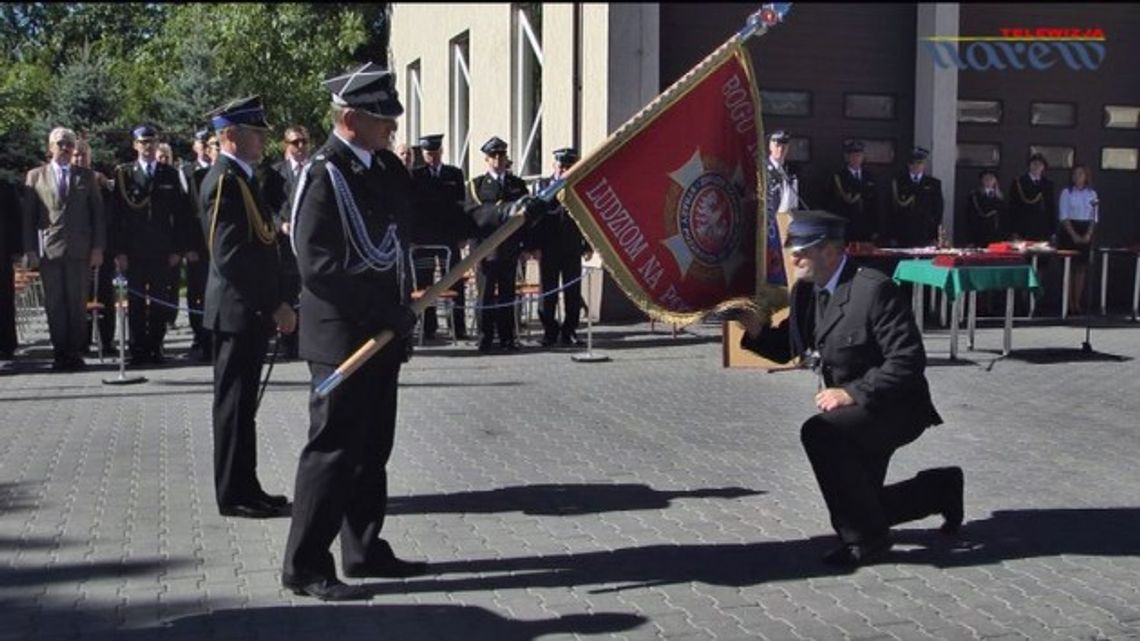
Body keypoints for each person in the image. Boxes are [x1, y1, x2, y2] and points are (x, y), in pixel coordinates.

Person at [734, 210, 963, 567]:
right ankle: (940, 489)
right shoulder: (807, 292)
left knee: (820, 434)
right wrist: (758, 331)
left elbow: (907, 360)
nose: (794, 257)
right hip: (857, 411)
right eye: (793, 247)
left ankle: (866, 542)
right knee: (864, 502)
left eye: (803, 249)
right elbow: (789, 346)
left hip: (893, 407)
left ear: (830, 251)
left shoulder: (873, 290)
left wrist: (852, 392)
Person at [282, 62, 427, 602]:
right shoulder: (321, 174)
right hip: (344, 337)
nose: (391, 125)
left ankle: (363, 549)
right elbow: (315, 263)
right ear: (349, 119)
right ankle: (304, 565)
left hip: (384, 333)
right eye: (381, 116)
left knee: (372, 448)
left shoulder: (385, 168)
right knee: (334, 450)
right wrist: (383, 310)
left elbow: (430, 217)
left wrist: (505, 213)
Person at [199, 96, 297, 519]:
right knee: (233, 405)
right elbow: (231, 256)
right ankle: (232, 493)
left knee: (244, 407)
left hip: (248, 312)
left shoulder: (243, 178)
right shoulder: (223, 181)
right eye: (255, 133)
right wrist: (274, 304)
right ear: (230, 136)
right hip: (237, 311)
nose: (262, 140)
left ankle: (247, 485)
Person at [22, 127, 106, 371]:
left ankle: (75, 353)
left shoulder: (86, 176)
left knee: (77, 304)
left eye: (70, 144)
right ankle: (60, 354)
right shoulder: (35, 176)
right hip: (49, 251)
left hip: (80, 251)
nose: (66, 149)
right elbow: (28, 219)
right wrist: (29, 250)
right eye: (61, 144)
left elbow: (97, 217)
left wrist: (98, 248)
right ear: (50, 148)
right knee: (55, 304)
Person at [109, 124, 193, 365]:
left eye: (152, 142)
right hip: (134, 251)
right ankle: (137, 349)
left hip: (162, 250)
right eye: (143, 143)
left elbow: (181, 215)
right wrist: (120, 251)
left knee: (159, 300)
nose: (148, 147)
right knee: (134, 303)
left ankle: (156, 346)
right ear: (135, 145)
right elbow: (117, 217)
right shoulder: (124, 174)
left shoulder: (168, 174)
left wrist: (177, 249)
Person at [466, 136, 530, 352]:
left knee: (507, 295)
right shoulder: (477, 185)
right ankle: (485, 338)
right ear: (486, 159)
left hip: (510, 247)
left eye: (502, 155)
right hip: (485, 249)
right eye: (494, 156)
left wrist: (526, 247)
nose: (498, 160)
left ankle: (507, 337)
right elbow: (476, 216)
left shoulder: (517, 185)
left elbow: (527, 218)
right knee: (484, 295)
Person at [411, 133, 472, 341]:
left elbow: (461, 207)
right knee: (425, 283)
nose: (433, 157)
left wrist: (463, 235)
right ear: (424, 154)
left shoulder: (453, 174)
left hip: (449, 237)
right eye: (429, 154)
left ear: (441, 152)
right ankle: (429, 326)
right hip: (424, 239)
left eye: (436, 153)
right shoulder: (415, 175)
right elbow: (412, 210)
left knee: (455, 282)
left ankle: (458, 325)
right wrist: (413, 237)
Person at [532, 147, 591, 347]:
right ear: (554, 166)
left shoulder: (580, 187)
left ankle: (570, 331)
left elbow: (587, 219)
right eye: (561, 165)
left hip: (571, 247)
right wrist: (534, 246)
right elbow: (535, 221)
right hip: (548, 248)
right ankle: (550, 331)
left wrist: (588, 245)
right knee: (548, 293)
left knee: (572, 292)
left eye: (569, 165)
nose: (565, 169)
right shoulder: (543, 186)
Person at [262, 125, 310, 359]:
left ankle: (308, 340)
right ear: (285, 146)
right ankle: (290, 342)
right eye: (295, 143)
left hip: (309, 243)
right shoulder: (275, 173)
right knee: (289, 292)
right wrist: (280, 224)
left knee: (310, 293)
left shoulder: (315, 170)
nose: (300, 147)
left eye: (303, 142)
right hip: (284, 243)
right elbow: (266, 207)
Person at [72, 138, 117, 355]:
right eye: (75, 155)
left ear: (90, 157)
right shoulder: (66, 179)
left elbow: (109, 215)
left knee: (104, 295)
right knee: (80, 297)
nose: (79, 158)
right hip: (76, 248)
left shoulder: (100, 181)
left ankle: (106, 341)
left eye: (83, 155)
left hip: (102, 248)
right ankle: (82, 340)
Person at [178, 130, 213, 362]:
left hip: (216, 246)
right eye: (203, 143)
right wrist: (187, 246)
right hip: (198, 245)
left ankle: (212, 337)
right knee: (197, 293)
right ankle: (199, 336)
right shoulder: (190, 173)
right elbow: (185, 214)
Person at [1057, 165, 1098, 315]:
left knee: (1081, 269)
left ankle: (1077, 302)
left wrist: (1088, 234)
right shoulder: (1066, 192)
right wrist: (1073, 235)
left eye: (1081, 174)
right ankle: (1067, 303)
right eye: (1075, 174)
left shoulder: (1092, 194)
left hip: (1085, 229)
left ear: (1086, 176)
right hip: (1069, 231)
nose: (1077, 176)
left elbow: (1094, 216)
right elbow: (1064, 216)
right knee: (1069, 268)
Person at [888, 147, 944, 248]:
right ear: (908, 165)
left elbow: (938, 211)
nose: (916, 166)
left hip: (925, 233)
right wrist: (892, 235)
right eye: (913, 163)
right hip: (903, 233)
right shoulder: (898, 183)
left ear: (924, 165)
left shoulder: (933, 184)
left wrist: (935, 236)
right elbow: (891, 210)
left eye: (919, 163)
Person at [825, 140, 879, 243]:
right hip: (847, 228)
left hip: (866, 227)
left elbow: (875, 204)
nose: (856, 159)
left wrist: (876, 228)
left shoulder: (869, 177)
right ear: (847, 157)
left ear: (863, 157)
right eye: (853, 155)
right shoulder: (839, 177)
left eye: (858, 155)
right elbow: (832, 204)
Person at [765, 130, 800, 286]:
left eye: (784, 146)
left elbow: (792, 203)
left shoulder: (789, 170)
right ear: (770, 146)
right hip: (768, 229)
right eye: (777, 145)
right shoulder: (763, 169)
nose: (781, 149)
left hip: (785, 226)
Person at [1, 178, 24, 361]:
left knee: (3, 300)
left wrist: (17, 250)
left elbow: (16, 219)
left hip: (2, 253)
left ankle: (6, 345)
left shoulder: (5, 187)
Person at [1008, 153, 1056, 242]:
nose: (1036, 167)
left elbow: (1051, 208)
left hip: (1042, 229)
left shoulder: (1048, 184)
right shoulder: (1019, 182)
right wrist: (1014, 230)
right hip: (1023, 228)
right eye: (1034, 164)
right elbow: (1013, 207)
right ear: (1029, 166)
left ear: (1043, 167)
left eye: (1040, 164)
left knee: (1042, 255)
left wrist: (1052, 230)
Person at [963, 169, 1008, 248]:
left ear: (995, 181)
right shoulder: (975, 196)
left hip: (996, 237)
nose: (988, 181)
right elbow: (969, 218)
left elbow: (1004, 219)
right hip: (979, 235)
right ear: (982, 180)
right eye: (986, 178)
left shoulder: (1000, 198)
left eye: (991, 178)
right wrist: (970, 240)